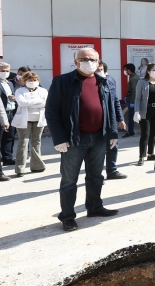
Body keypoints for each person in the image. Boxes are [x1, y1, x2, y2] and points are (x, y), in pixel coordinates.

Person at [45, 48, 119, 231]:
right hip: (74, 140)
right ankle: (67, 216)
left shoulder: (104, 81)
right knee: (69, 180)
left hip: (99, 138)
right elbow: (52, 111)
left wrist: (113, 133)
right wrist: (59, 138)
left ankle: (94, 207)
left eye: (92, 59)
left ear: (98, 61)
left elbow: (110, 108)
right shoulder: (62, 81)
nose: (88, 62)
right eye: (84, 59)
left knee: (96, 177)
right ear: (75, 61)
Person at [10, 71, 48, 177]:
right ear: (25, 81)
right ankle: (20, 168)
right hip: (24, 120)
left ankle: (37, 166)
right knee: (23, 142)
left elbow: (45, 103)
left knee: (37, 142)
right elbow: (22, 103)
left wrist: (30, 103)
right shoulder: (20, 91)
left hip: (38, 119)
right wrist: (38, 102)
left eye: (34, 80)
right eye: (30, 80)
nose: (32, 82)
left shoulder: (43, 91)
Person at [97, 62, 127, 179]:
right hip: (97, 119)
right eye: (96, 70)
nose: (98, 72)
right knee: (97, 150)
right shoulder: (89, 82)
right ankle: (96, 175)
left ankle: (112, 170)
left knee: (113, 146)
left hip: (111, 118)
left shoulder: (110, 80)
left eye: (100, 69)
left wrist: (120, 118)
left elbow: (115, 101)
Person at [134, 63, 155, 166]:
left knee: (154, 133)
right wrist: (136, 111)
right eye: (154, 70)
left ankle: (150, 153)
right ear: (148, 71)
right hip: (145, 111)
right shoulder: (142, 82)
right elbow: (138, 98)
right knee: (145, 133)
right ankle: (141, 156)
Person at [0, 62, 18, 167]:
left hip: (11, 113)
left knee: (9, 137)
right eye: (3, 71)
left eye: (7, 71)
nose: (5, 73)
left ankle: (7, 158)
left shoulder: (9, 83)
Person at [122, 63, 138, 137]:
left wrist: (132, 102)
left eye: (125, 70)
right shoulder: (132, 77)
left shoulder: (134, 78)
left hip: (133, 100)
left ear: (129, 70)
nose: (125, 72)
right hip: (131, 99)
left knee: (131, 117)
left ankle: (131, 131)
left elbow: (134, 91)